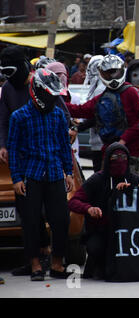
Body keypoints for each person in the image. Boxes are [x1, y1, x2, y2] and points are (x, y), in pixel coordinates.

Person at [0, 46, 71, 277]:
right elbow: (15, 150)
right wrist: (17, 178)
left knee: (60, 220)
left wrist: (68, 173)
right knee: (30, 222)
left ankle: (57, 263)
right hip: (30, 175)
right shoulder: (18, 117)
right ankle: (35, 265)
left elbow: (63, 145)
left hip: (53, 174)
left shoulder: (58, 115)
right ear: (37, 92)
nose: (52, 99)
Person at [66, 54, 139, 176]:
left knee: (134, 191)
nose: (112, 77)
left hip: (133, 155)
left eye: (115, 72)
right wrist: (57, 100)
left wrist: (124, 139)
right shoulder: (102, 98)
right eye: (108, 73)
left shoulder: (132, 92)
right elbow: (81, 110)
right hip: (110, 154)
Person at [68, 142, 139, 279]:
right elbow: (73, 202)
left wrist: (137, 189)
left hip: (127, 232)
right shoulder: (97, 179)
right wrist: (88, 208)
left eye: (123, 157)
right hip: (101, 231)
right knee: (95, 247)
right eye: (115, 157)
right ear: (107, 159)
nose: (119, 161)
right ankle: (97, 265)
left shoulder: (133, 179)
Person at [81, 55, 105, 173]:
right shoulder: (100, 86)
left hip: (101, 143)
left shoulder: (100, 89)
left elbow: (95, 115)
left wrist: (78, 127)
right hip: (99, 141)